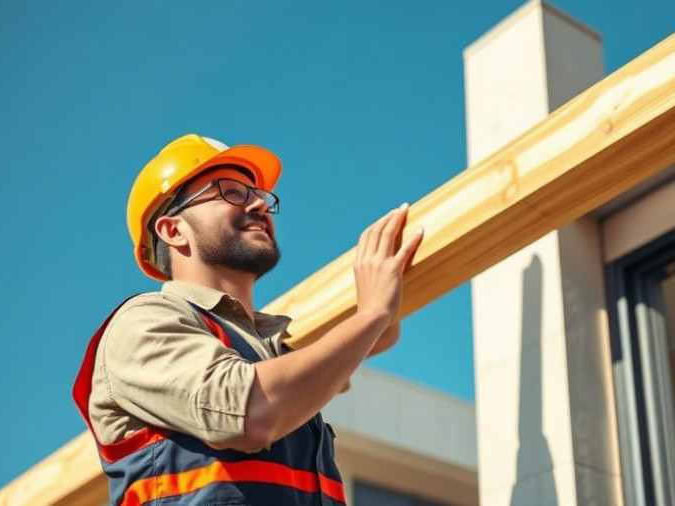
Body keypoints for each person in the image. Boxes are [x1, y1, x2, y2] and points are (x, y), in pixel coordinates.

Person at [73, 134, 423, 505]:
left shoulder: (268, 349)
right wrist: (371, 313)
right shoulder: (143, 322)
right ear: (172, 230)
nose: (259, 203)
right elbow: (250, 410)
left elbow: (378, 340)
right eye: (231, 192)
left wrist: (384, 304)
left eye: (259, 195)